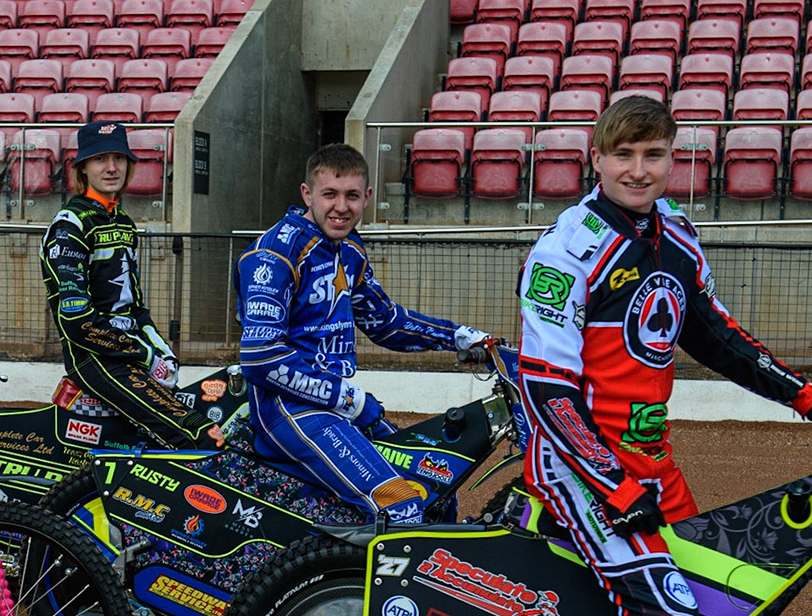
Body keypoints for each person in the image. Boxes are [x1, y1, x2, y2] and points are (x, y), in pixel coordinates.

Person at [516, 95, 812, 616]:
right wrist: (607, 481)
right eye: (624, 155)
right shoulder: (566, 251)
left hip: (650, 463)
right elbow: (545, 389)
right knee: (664, 613)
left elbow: (721, 339)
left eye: (654, 155)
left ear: (673, 160)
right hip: (580, 465)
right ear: (594, 159)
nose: (639, 170)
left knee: (721, 608)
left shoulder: (677, 239)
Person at [236, 143, 490, 522]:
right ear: (307, 194)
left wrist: (459, 337)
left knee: (435, 492)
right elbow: (261, 358)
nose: (341, 207)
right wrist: (346, 398)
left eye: (352, 196)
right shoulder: (274, 254)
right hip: (289, 410)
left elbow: (386, 323)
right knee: (400, 506)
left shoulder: (350, 248)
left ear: (367, 197)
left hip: (339, 407)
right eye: (330, 194)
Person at [39, 120, 223, 448]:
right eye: (100, 159)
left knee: (209, 417)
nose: (112, 168)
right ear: (82, 169)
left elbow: (135, 307)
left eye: (119, 158)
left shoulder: (123, 223)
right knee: (198, 435)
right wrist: (145, 356)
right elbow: (77, 324)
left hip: (130, 354)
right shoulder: (70, 226)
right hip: (94, 359)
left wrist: (163, 352)